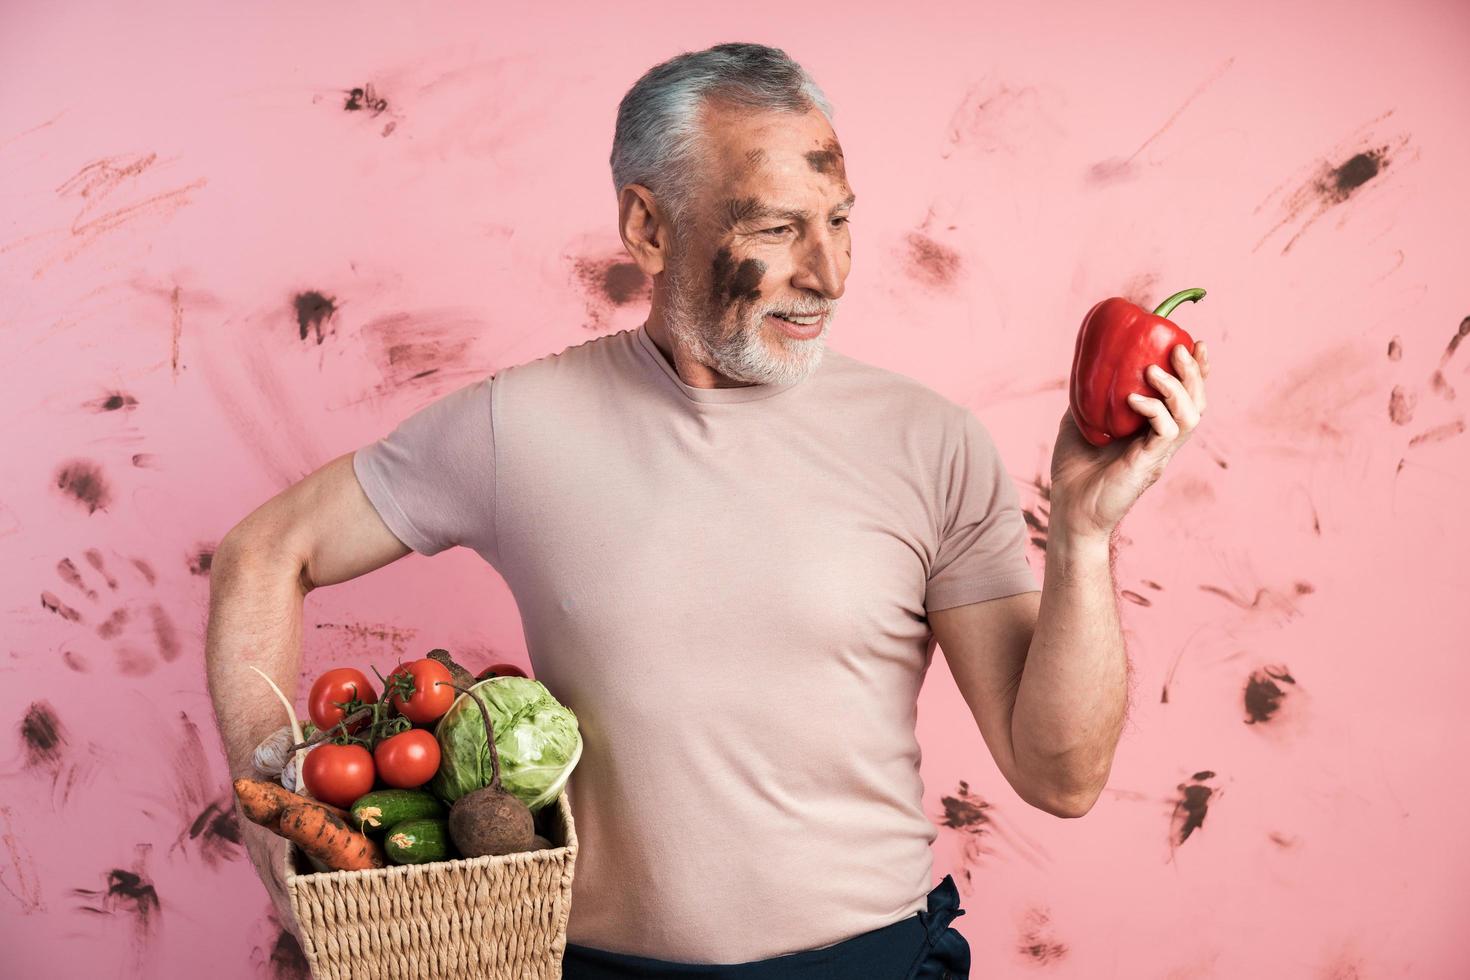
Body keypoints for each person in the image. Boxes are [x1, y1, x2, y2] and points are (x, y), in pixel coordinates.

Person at [207, 41, 1210, 980]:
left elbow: (1059, 774)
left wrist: (1082, 533)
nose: (828, 273)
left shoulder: (932, 441)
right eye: (776, 228)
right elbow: (264, 551)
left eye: (840, 219)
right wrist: (269, 806)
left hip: (867, 959)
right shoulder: (518, 425)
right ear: (648, 227)